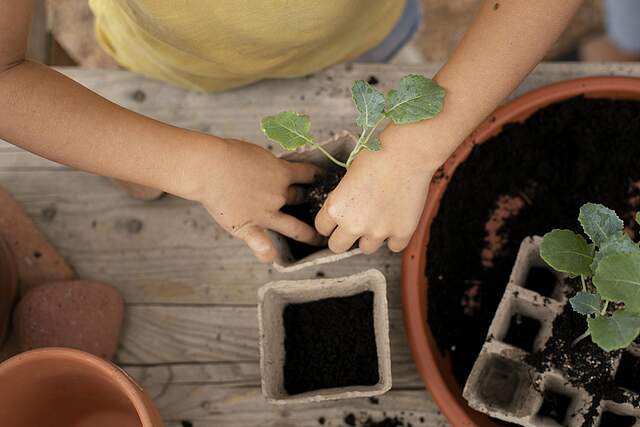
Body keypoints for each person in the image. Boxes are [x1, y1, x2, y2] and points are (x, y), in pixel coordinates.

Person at [0, 0, 583, 262]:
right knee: (137, 140)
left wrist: (416, 146)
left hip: (364, 40)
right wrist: (189, 166)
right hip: (166, 65)